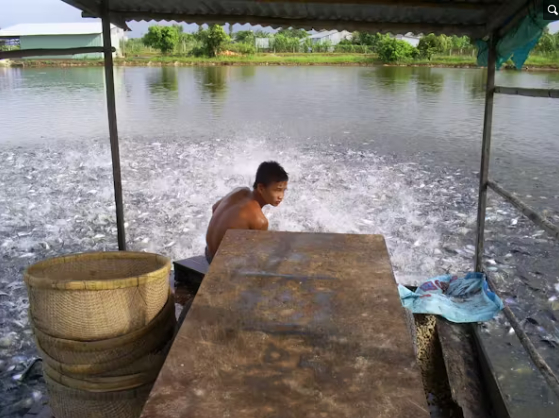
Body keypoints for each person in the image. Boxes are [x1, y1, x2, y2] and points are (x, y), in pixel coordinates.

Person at [205, 161, 289, 264]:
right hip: (223, 266)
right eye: (277, 190)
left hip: (208, 253)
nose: (281, 196)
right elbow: (257, 256)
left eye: (284, 190)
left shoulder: (239, 191)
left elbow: (214, 208)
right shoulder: (260, 220)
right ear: (261, 188)